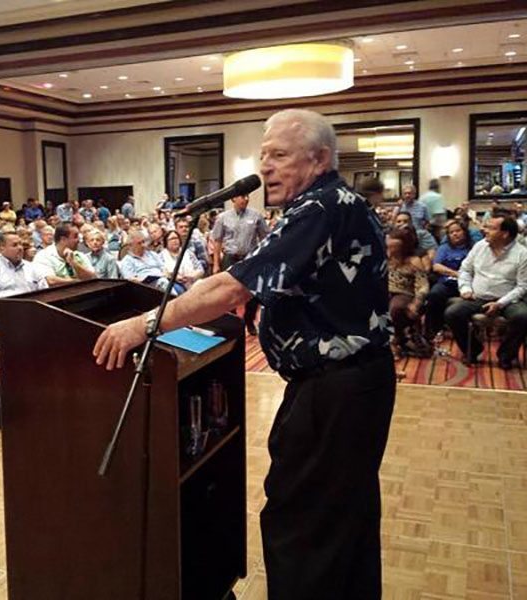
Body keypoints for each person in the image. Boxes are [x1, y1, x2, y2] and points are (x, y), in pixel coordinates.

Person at [94, 109, 394, 600]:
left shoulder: (320, 208)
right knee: (344, 518)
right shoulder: (329, 203)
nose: (265, 168)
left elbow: (232, 287)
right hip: (350, 384)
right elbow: (237, 281)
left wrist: (143, 324)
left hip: (335, 389)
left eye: (279, 155)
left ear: (319, 159)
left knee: (302, 520)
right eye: (263, 156)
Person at [444, 216, 527, 369]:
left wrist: (500, 303)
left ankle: (506, 355)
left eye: (491, 228)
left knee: (523, 316)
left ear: (505, 234)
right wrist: (465, 289)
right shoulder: (479, 246)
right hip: (478, 297)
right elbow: (465, 270)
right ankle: (473, 350)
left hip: (508, 300)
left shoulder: (522, 254)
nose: (484, 230)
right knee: (452, 313)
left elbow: (522, 286)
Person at [211, 193, 269, 335]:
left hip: (250, 258)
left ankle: (249, 320)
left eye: (247, 196)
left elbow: (265, 237)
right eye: (242, 196)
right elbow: (217, 240)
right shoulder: (223, 217)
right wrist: (216, 264)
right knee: (228, 292)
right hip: (230, 258)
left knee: (253, 293)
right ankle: (231, 322)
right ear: (233, 199)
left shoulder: (256, 216)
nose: (246, 199)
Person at [0, 231, 48, 337]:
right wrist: (23, 301)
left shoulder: (31, 267)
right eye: (14, 245)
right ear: (1, 248)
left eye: (20, 244)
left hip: (29, 315)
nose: (20, 248)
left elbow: (44, 292)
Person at [424, 219, 472, 339]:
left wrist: (464, 277)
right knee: (434, 294)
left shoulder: (474, 248)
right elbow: (436, 266)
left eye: (458, 231)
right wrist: (456, 273)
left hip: (470, 283)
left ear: (464, 232)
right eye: (451, 232)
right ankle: (435, 330)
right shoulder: (444, 248)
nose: (455, 234)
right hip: (448, 282)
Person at [386, 228, 431, 357]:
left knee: (396, 307)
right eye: (389, 247)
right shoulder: (384, 257)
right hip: (383, 291)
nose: (390, 251)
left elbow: (422, 285)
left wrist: (416, 303)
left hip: (404, 293)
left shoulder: (413, 260)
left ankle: (396, 339)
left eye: (394, 248)